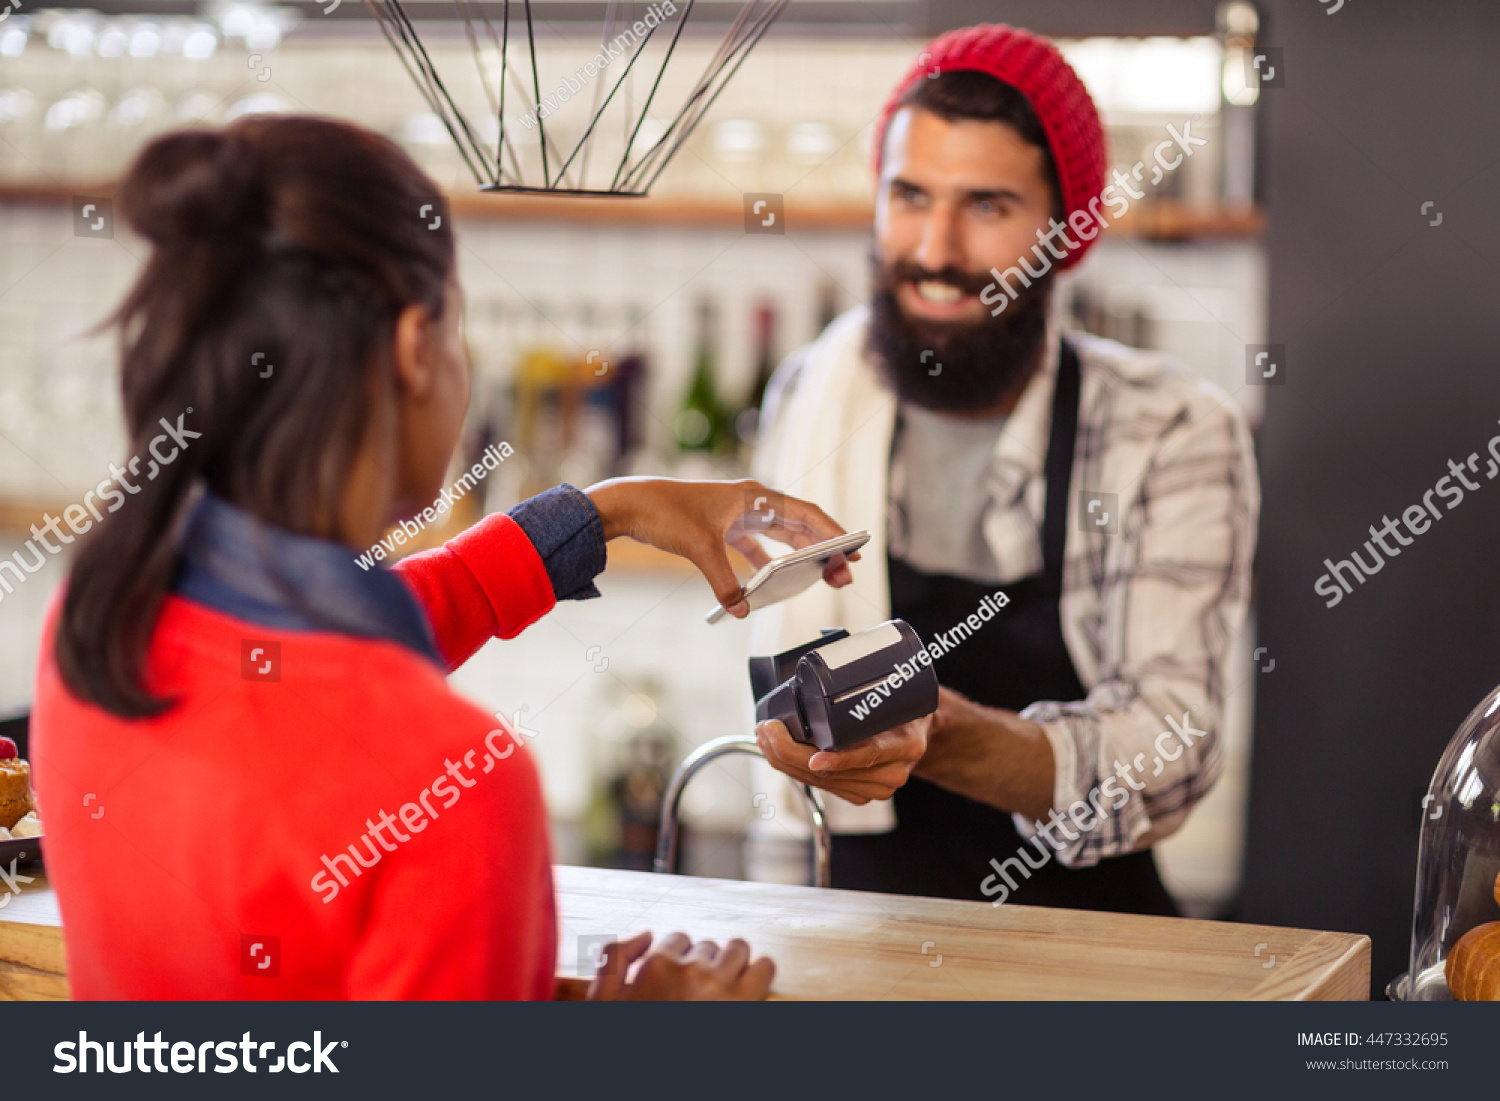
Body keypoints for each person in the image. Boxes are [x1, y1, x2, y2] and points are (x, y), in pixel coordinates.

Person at [30, 116, 858, 999]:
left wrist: (605, 512)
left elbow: (331, 657)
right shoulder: (451, 784)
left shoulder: (95, 626)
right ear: (414, 349)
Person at [750, 24, 1260, 915]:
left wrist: (937, 735)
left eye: (986, 206)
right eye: (909, 195)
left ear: (1066, 232)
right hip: (857, 939)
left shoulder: (1170, 429)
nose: (936, 249)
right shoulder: (809, 396)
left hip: (1088, 961)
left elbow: (1173, 748)